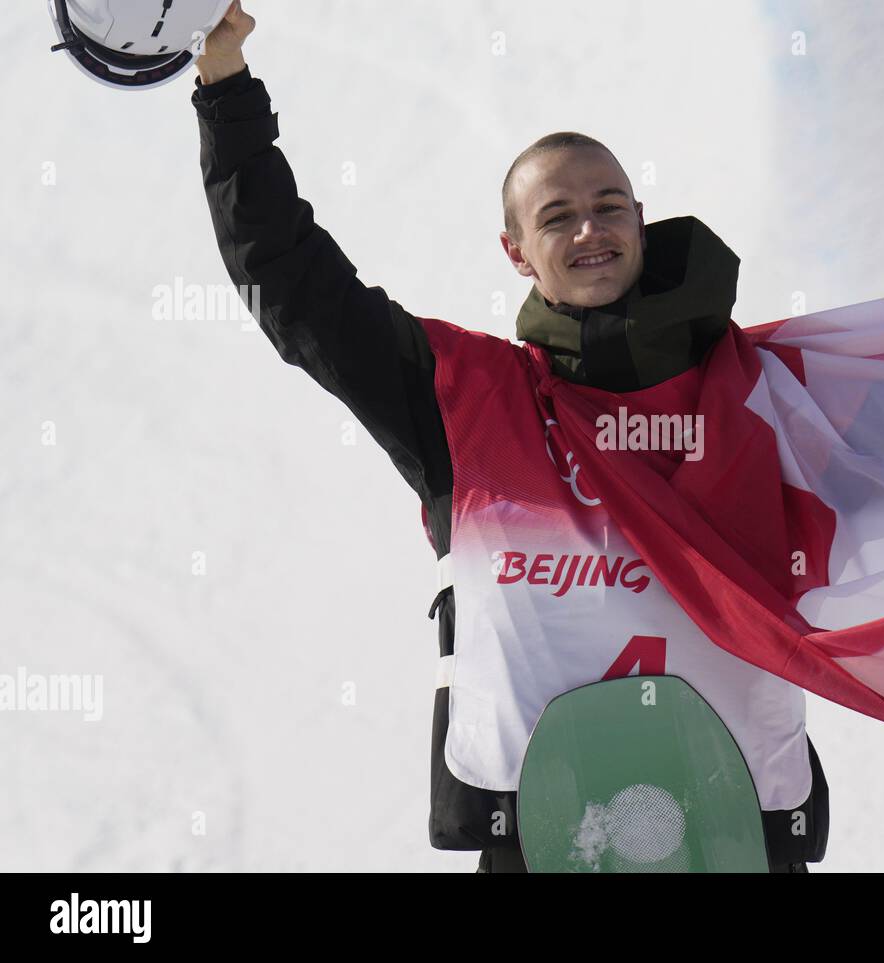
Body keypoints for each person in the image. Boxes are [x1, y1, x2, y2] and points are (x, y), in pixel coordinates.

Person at [193, 1, 835, 873]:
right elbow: (297, 290)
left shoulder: (762, 392)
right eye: (559, 215)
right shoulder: (462, 397)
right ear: (516, 251)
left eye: (610, 206)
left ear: (641, 222)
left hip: (740, 835)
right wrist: (226, 88)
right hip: (541, 839)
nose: (590, 229)